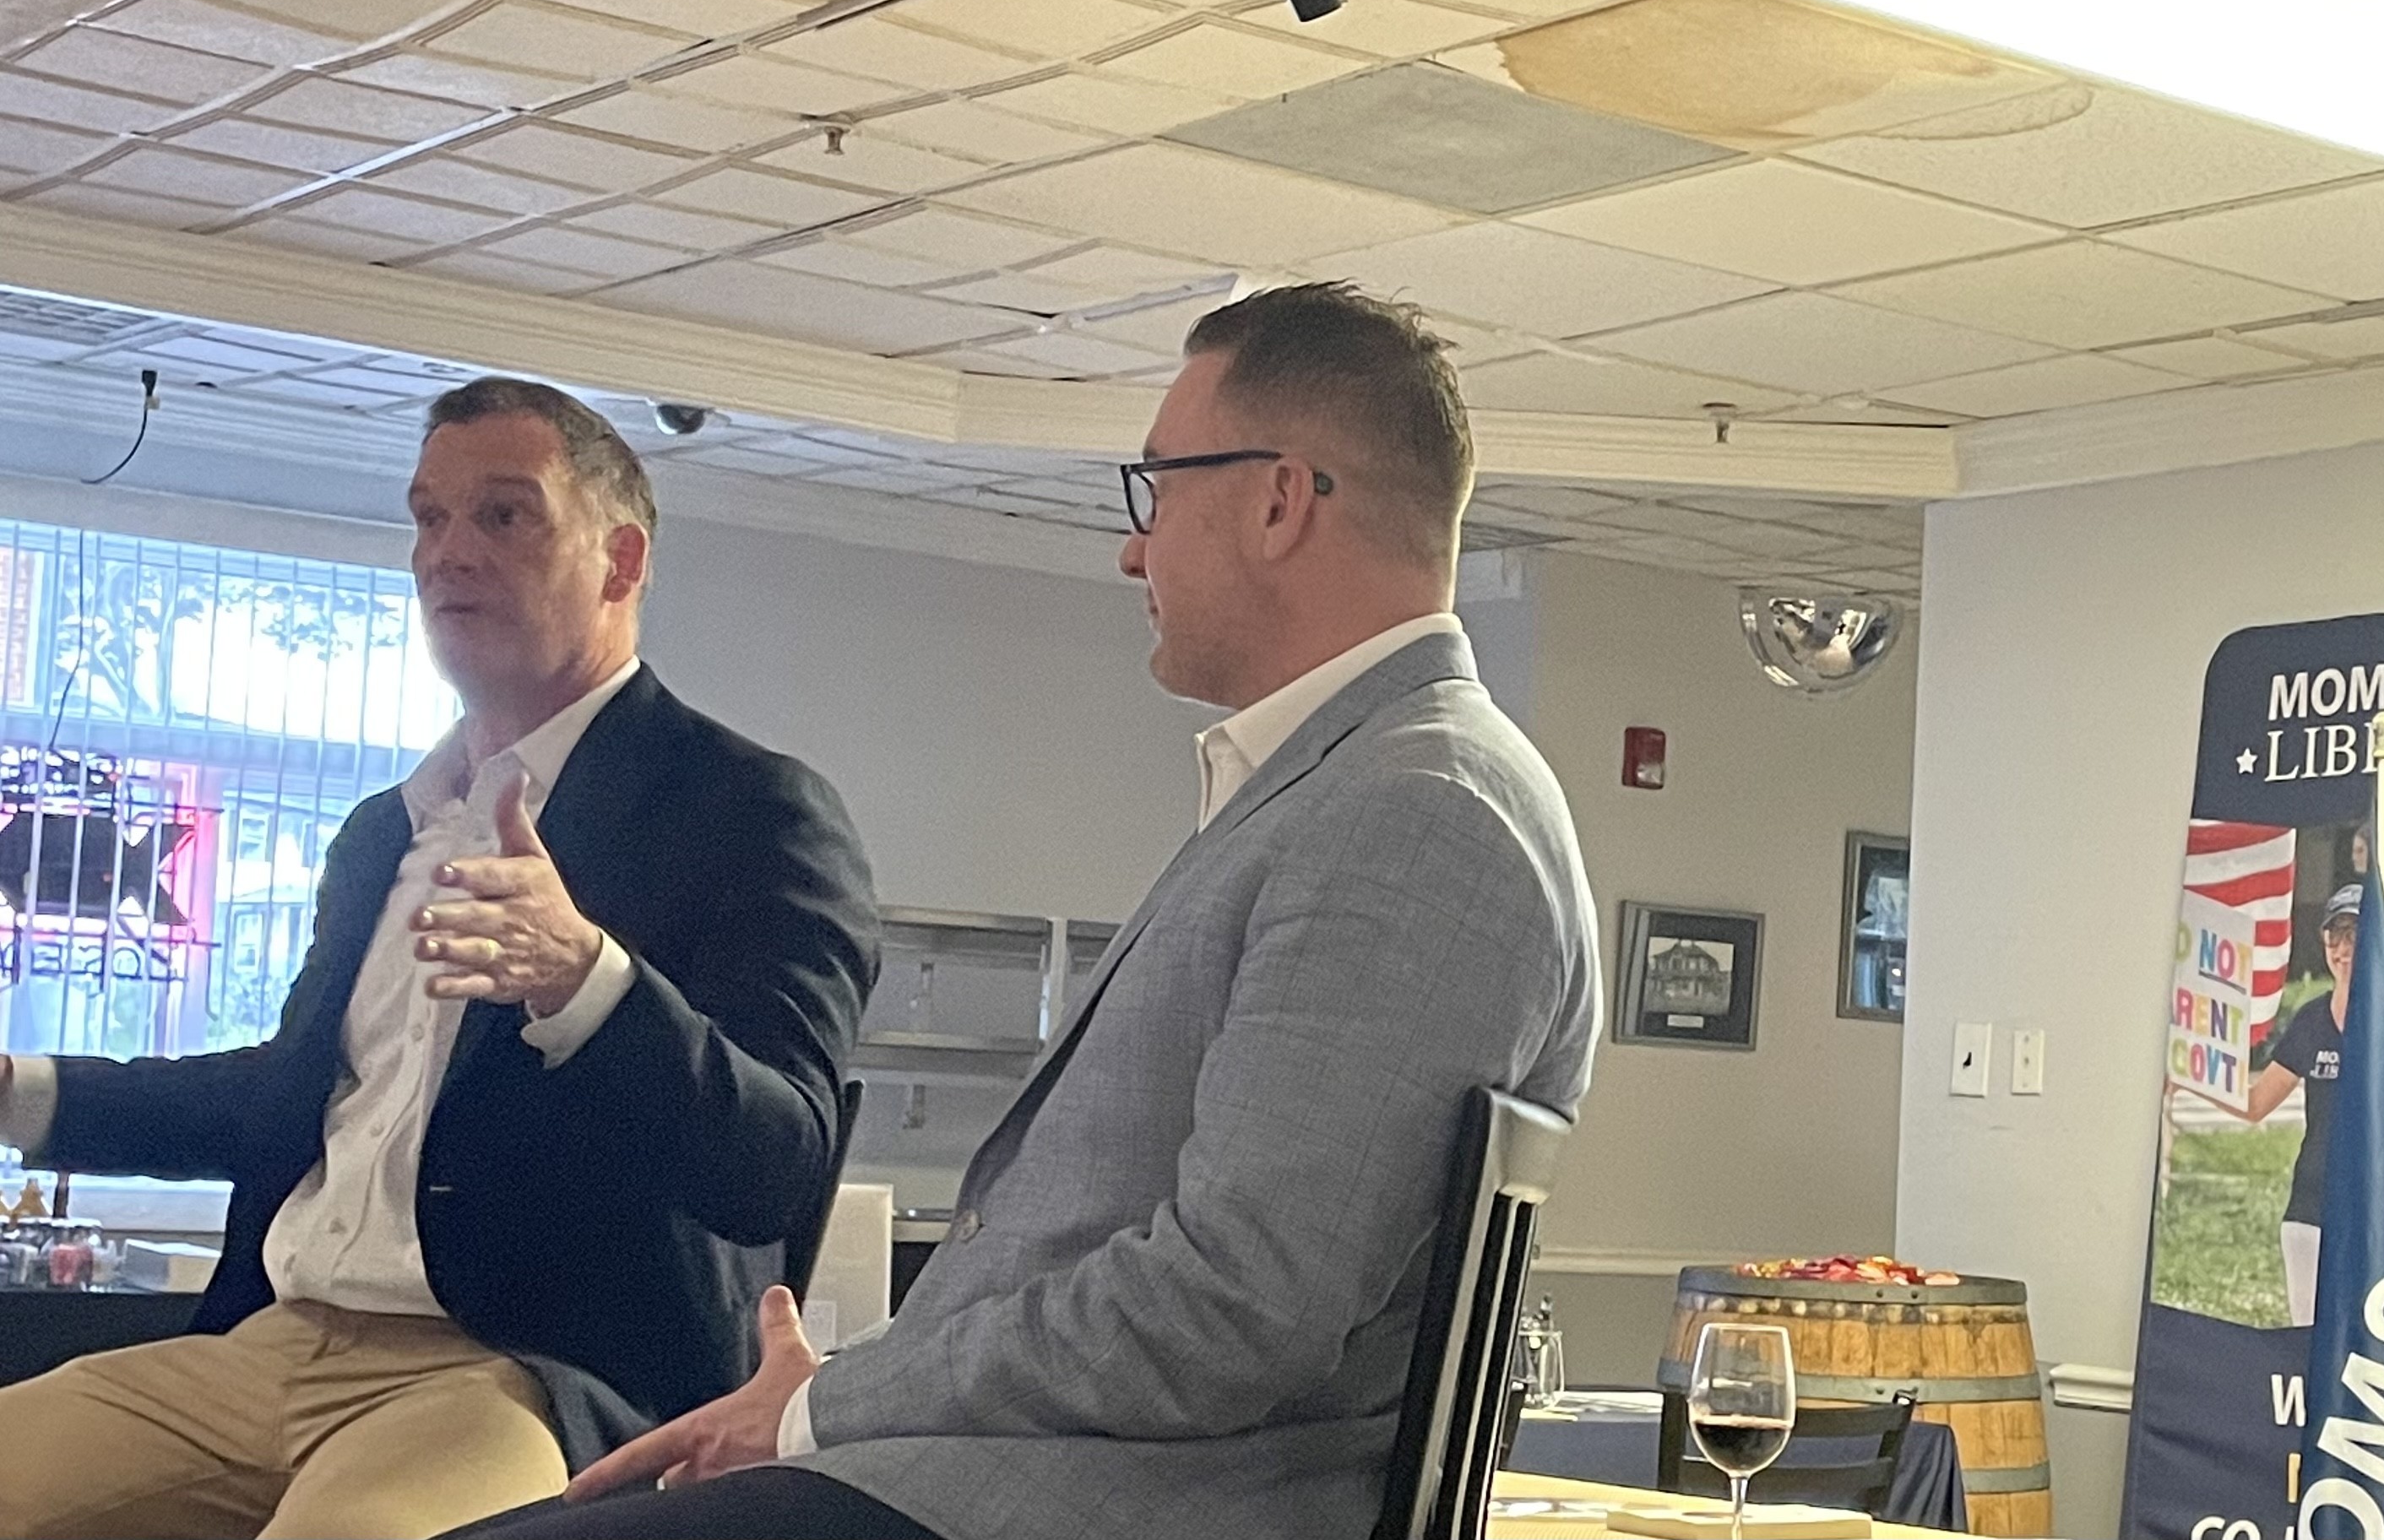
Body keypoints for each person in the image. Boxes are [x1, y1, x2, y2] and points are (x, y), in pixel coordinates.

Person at [451, 282, 1603, 1540]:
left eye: (1157, 488)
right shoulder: (1358, 788)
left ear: (1279, 499)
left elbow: (1229, 1309)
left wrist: (826, 1408)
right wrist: (831, 1405)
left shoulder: (1417, 810)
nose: (1131, 549)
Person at [0, 378, 880, 1540]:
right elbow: (284, 1098)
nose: (448, 552)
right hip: (276, 1337)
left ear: (620, 561)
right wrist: (22, 1092)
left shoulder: (748, 812)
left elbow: (775, 1163)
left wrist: (585, 981)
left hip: (523, 1372)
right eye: (429, 517)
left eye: (504, 515)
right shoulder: (386, 831)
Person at [2240, 878, 2384, 1326]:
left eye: (2356, 935)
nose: (2344, 948)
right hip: (2313, 1205)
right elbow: (2255, 1105)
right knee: (2307, 1333)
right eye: (2336, 935)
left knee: (2376, 1339)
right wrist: (2193, 1079)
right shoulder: (2311, 1021)